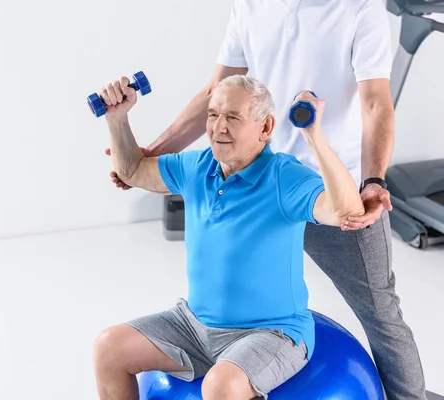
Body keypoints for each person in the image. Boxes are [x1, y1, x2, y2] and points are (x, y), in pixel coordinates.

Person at [105, 1, 427, 399]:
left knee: (381, 314)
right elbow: (214, 91)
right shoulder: (250, 5)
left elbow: (376, 100)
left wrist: (373, 179)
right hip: (254, 180)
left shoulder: (360, 8)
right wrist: (147, 155)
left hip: (330, 187)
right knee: (230, 299)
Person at [93, 74, 365, 400]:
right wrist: (117, 118)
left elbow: (346, 210)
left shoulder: (283, 176)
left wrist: (314, 136)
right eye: (213, 115)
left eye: (233, 118)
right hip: (193, 324)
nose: (218, 127)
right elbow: (133, 170)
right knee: (108, 347)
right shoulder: (197, 166)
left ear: (265, 129)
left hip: (271, 332)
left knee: (220, 386)